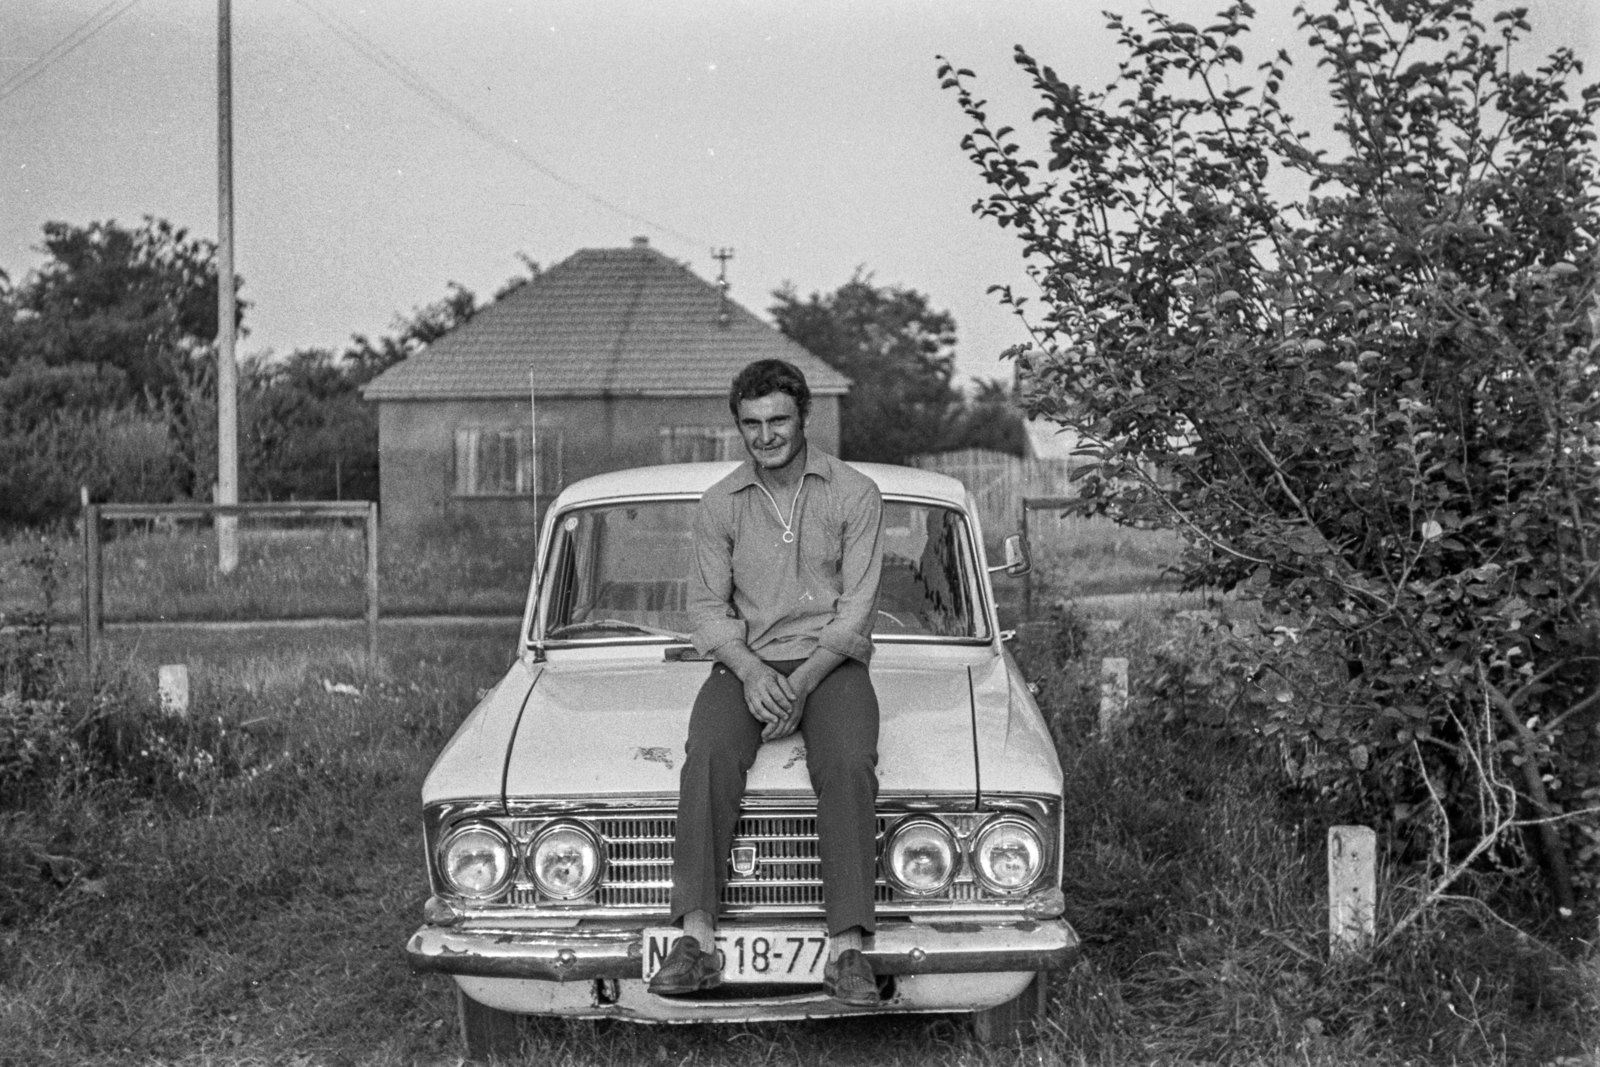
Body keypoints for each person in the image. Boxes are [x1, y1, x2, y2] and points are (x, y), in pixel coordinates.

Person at [648, 358, 884, 1007]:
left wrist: (802, 683)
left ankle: (849, 950)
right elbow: (705, 606)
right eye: (751, 423)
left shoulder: (855, 492)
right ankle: (694, 939)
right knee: (708, 754)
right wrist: (751, 672)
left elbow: (856, 609)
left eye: (778, 419)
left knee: (846, 761)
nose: (766, 434)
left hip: (830, 664)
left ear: (803, 415)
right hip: (746, 659)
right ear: (740, 426)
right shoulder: (720, 502)